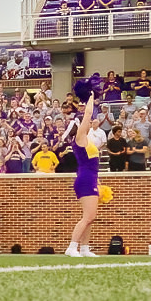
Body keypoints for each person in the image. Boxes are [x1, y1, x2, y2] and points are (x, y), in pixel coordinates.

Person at [66, 94, 101, 257]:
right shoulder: (79, 139)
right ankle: (72, 246)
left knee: (91, 217)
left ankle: (85, 248)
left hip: (91, 178)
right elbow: (87, 115)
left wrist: (98, 182)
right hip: (85, 179)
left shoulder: (88, 140)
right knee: (87, 216)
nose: (89, 124)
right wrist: (91, 97)